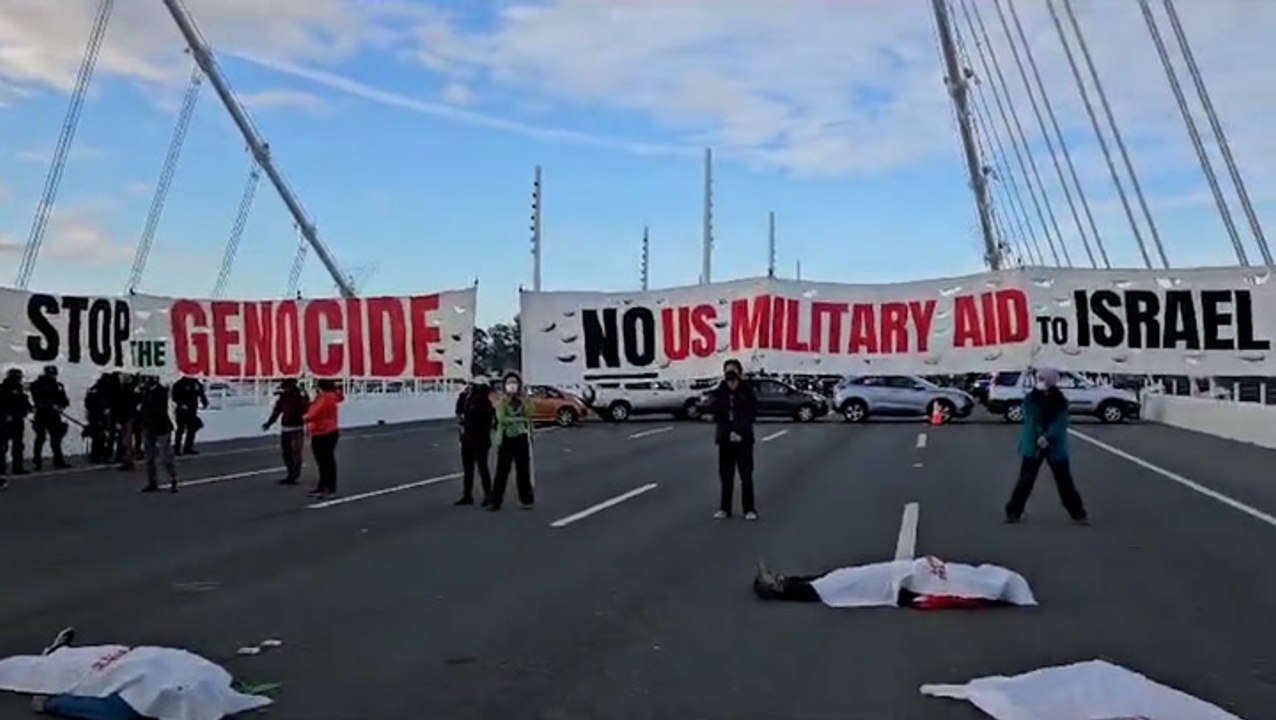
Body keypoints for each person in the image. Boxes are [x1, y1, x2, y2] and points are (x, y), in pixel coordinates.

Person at [1004, 367, 1089, 525]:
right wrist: (1040, 435)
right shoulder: (1031, 398)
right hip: (1033, 443)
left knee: (1064, 480)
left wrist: (1048, 436)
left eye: (1043, 379)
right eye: (1039, 378)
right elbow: (1031, 418)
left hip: (1055, 445)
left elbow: (1061, 421)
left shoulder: (1060, 400)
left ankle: (1078, 513)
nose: (1040, 382)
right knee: (1026, 479)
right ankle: (1014, 511)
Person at [712, 359, 758, 520]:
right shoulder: (720, 391)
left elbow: (751, 413)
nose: (729, 374)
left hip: (744, 440)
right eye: (727, 370)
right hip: (725, 440)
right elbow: (718, 415)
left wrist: (739, 431)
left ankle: (749, 509)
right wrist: (729, 432)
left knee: (746, 475)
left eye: (732, 370)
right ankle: (725, 508)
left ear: (739, 373)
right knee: (726, 475)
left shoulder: (747, 391)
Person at [488, 370, 534, 511]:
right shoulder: (502, 401)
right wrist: (519, 419)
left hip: (521, 437)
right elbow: (502, 419)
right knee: (502, 471)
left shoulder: (524, 400)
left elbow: (529, 417)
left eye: (514, 382)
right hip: (507, 438)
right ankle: (496, 501)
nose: (512, 385)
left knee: (523, 470)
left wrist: (530, 433)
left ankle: (526, 499)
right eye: (509, 383)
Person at [262, 379, 310, 486]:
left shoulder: (299, 398)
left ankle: (294, 475)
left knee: (295, 453)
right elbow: (276, 412)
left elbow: (307, 410)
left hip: (297, 428)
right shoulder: (283, 399)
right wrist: (269, 423)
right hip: (286, 428)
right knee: (286, 453)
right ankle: (290, 474)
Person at [456, 377, 495, 506]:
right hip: (468, 438)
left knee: (482, 468)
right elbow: (459, 411)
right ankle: (468, 495)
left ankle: (488, 495)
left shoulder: (485, 403)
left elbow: (482, 421)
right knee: (469, 469)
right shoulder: (469, 399)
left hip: (480, 439)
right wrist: (463, 395)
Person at [137, 377, 178, 494]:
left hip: (162, 427)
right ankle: (152, 481)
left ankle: (173, 478)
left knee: (165, 456)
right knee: (149, 457)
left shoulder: (160, 392)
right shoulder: (145, 392)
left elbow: (157, 409)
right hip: (149, 427)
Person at [305, 379, 343, 499]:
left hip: (323, 432)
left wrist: (304, 417)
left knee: (324, 461)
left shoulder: (325, 398)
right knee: (326, 461)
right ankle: (326, 486)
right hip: (328, 431)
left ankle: (327, 487)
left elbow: (315, 414)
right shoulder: (331, 397)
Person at [29, 365, 71, 471]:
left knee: (55, 440)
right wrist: (51, 405)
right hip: (42, 414)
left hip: (53, 415)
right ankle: (37, 462)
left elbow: (64, 400)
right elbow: (37, 400)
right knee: (41, 439)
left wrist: (60, 406)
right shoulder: (37, 385)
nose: (52, 376)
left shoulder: (57, 385)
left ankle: (58, 461)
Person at [0, 368, 31, 482]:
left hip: (15, 419)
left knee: (15, 445)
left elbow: (23, 402)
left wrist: (27, 409)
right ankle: (13, 468)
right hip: (8, 420)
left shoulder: (17, 388)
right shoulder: (5, 388)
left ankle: (13, 467)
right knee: (8, 446)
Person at [171, 376, 208, 456]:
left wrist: (204, 402)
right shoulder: (179, 384)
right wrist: (181, 404)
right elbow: (174, 396)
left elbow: (201, 393)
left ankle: (188, 448)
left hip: (192, 410)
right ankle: (177, 449)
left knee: (193, 427)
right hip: (182, 410)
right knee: (181, 429)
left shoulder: (196, 383)